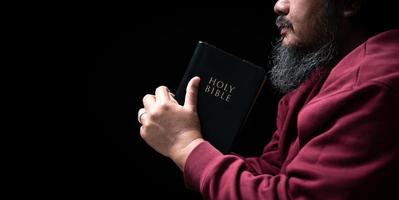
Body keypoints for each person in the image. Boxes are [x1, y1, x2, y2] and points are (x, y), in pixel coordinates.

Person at [137, 0, 399, 199]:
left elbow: (291, 195)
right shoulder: (319, 78)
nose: (278, 5)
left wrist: (185, 146)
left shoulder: (373, 86)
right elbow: (274, 169)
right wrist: (179, 138)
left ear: (349, 4)